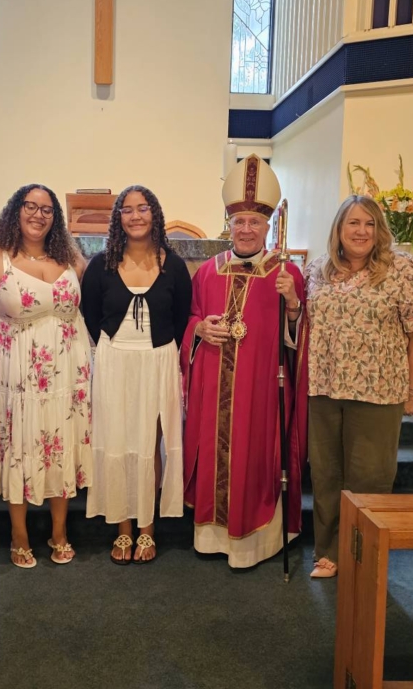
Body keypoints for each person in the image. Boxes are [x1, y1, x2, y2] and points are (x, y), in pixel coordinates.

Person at [181, 154, 308, 569]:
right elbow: (192, 318)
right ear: (229, 224)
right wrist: (200, 329)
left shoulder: (286, 273)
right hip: (214, 388)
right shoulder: (207, 272)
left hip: (261, 391)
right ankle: (212, 537)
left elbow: (299, 338)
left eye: (255, 221)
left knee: (255, 459)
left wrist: (293, 304)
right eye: (240, 222)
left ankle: (255, 543)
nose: (247, 229)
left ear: (268, 227)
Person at [0, 184, 92, 568]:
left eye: (47, 209)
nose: (38, 215)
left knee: (60, 446)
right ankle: (19, 534)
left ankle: (59, 531)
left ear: (55, 217)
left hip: (66, 377)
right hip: (18, 379)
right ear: (16, 210)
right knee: (20, 448)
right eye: (30, 206)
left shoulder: (73, 260)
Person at [305, 195, 413, 578]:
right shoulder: (317, 270)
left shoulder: (401, 268)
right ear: (339, 228)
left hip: (379, 389)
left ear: (380, 230)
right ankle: (328, 551)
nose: (361, 231)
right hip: (324, 388)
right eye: (353, 223)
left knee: (369, 477)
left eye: (369, 223)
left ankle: (362, 554)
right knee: (326, 474)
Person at [81, 185, 192, 564]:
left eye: (143, 208)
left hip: (157, 360)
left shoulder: (174, 265)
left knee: (149, 444)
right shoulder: (101, 265)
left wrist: (154, 349)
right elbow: (91, 315)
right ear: (118, 218)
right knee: (117, 441)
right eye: (127, 210)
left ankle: (147, 528)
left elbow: (181, 318)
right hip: (115, 360)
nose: (135, 216)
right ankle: (123, 529)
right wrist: (117, 348)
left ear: (154, 214)